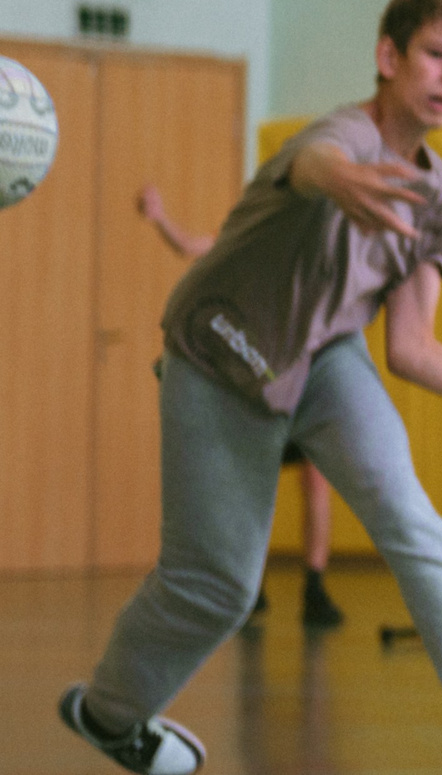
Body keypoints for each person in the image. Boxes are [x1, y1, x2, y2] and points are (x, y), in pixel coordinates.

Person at [59, 0, 442, 775]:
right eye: (437, 53)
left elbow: (411, 347)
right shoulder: (343, 136)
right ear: (388, 55)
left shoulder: (440, 205)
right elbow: (317, 162)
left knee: (405, 512)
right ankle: (111, 712)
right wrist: (339, 179)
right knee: (215, 584)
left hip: (325, 359)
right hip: (218, 350)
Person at [137, 185, 347, 631]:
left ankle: (315, 586)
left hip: (294, 379)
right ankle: (252, 585)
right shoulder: (239, 242)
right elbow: (189, 245)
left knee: (315, 481)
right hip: (253, 383)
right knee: (255, 488)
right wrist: (160, 217)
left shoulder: (309, 257)